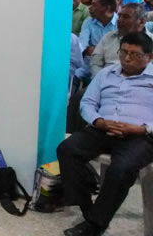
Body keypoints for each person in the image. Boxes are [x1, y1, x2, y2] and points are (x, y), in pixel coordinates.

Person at [57, 32, 153, 236]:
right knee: (67, 149)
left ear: (149, 57)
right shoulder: (106, 74)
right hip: (103, 128)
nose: (127, 58)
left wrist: (141, 128)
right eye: (123, 52)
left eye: (135, 55)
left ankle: (94, 225)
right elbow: (87, 102)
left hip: (139, 135)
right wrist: (99, 121)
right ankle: (88, 209)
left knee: (122, 168)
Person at [90, 3, 153, 77]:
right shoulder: (108, 37)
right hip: (105, 80)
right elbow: (95, 63)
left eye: (126, 17)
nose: (119, 20)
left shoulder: (151, 41)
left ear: (142, 22)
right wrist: (102, 79)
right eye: (119, 16)